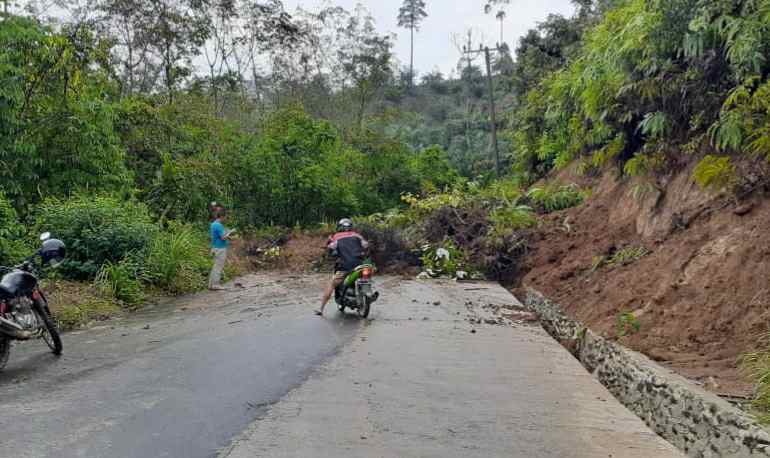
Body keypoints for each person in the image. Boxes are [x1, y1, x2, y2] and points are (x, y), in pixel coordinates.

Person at [317, 218, 369, 317]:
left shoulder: (336, 237)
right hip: (360, 264)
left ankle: (321, 309)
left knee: (331, 284)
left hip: (345, 266)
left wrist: (329, 243)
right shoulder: (357, 235)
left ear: (340, 227)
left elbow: (331, 248)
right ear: (351, 227)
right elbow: (366, 245)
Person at [208, 209, 234, 291]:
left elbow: (219, 236)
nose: (226, 219)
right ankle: (215, 285)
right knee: (218, 266)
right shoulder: (219, 225)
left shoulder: (213, 224)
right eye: (225, 217)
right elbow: (223, 237)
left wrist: (228, 235)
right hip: (220, 248)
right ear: (222, 216)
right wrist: (230, 232)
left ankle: (211, 284)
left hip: (215, 247)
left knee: (215, 266)